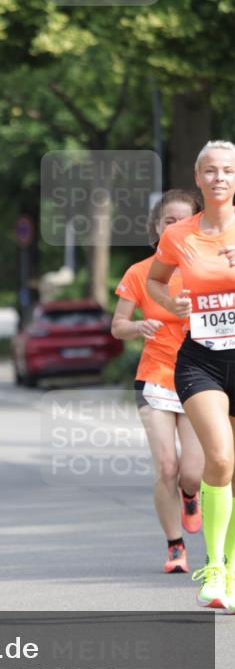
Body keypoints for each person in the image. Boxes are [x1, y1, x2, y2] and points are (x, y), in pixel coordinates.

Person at [148, 141, 235, 612]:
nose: (220, 178)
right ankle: (215, 565)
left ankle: (233, 568)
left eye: (228, 171)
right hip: (201, 358)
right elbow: (156, 282)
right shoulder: (179, 234)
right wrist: (170, 304)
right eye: (211, 171)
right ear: (198, 179)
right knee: (218, 458)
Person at [112, 190, 203, 573]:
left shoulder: (212, 270)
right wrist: (138, 325)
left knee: (194, 471)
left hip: (201, 375)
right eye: (169, 221)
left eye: (184, 220)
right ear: (156, 227)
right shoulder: (139, 273)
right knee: (165, 465)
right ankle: (174, 546)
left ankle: (190, 494)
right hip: (155, 376)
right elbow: (117, 327)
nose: (177, 227)